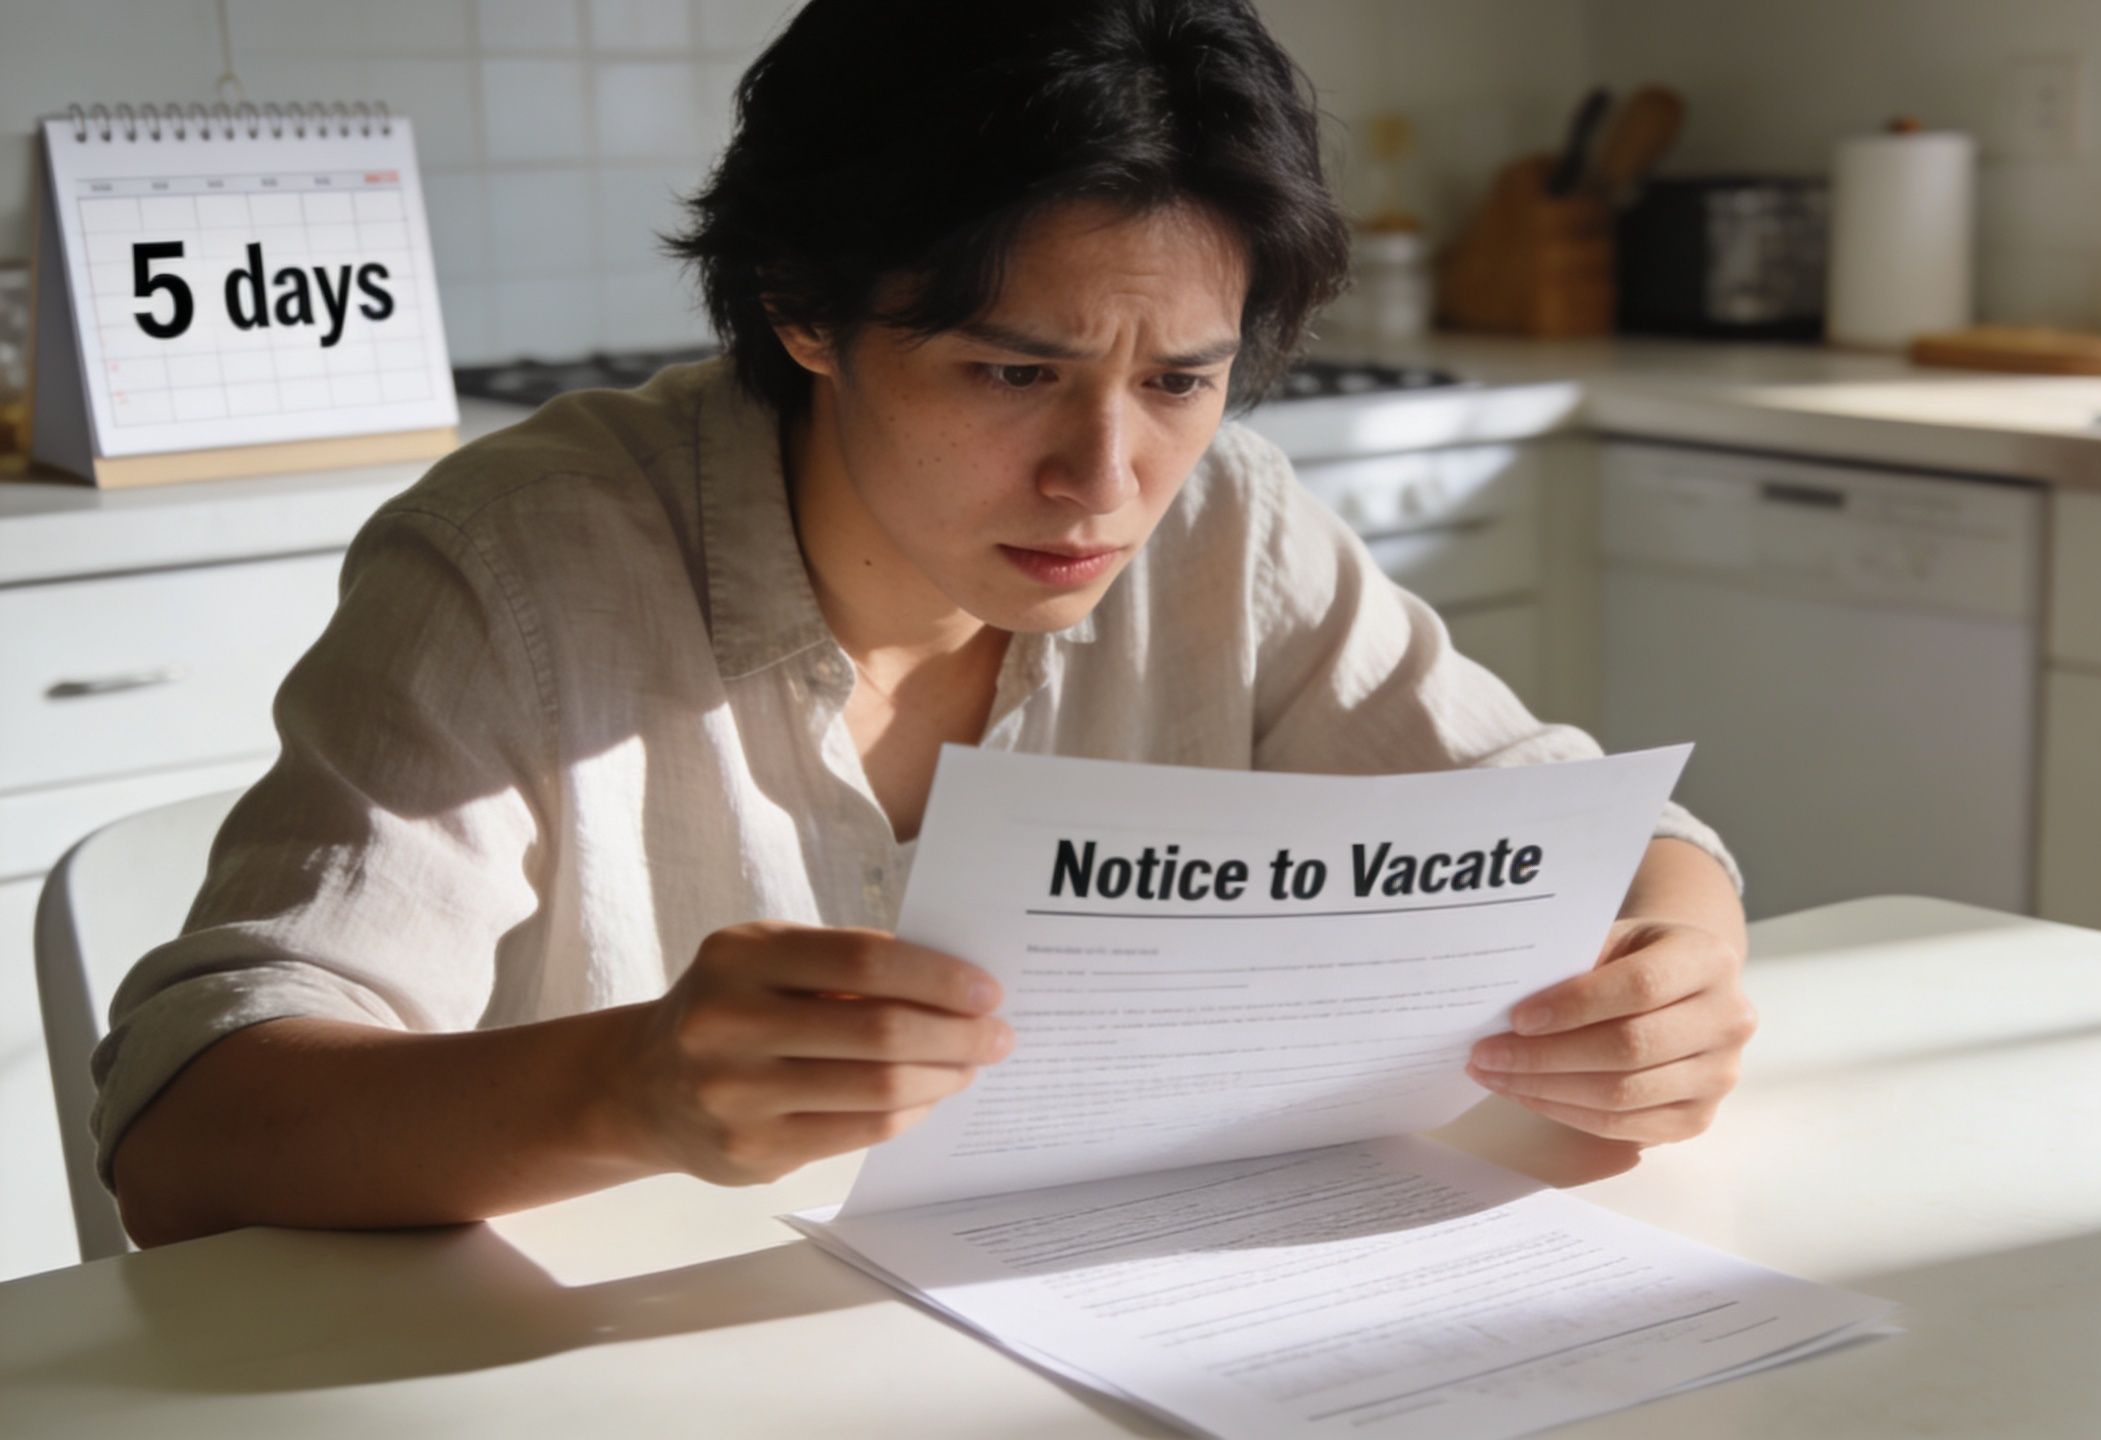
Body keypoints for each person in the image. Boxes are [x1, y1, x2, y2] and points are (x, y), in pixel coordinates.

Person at [98, 0, 1755, 1248]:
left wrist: (1676, 974)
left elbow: (1609, 835)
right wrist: (628, 1089)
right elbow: (186, 1133)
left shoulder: (1223, 520)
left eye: (1181, 379)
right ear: (804, 307)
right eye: (1012, 372)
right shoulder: (518, 566)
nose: (1104, 480)